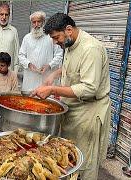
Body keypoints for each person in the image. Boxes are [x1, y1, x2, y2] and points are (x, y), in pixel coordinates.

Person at [31, 13, 111, 180]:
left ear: (68, 29)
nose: (55, 42)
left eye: (56, 37)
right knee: (68, 158)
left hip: (89, 113)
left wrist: (53, 90)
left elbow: (89, 88)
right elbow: (73, 67)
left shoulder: (90, 49)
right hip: (73, 110)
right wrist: (55, 74)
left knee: (84, 163)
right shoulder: (69, 43)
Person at [19, 11, 63, 91]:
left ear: (43, 22)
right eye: (34, 22)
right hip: (30, 77)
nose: (36, 25)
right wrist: (28, 64)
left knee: (45, 100)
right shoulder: (27, 38)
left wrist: (49, 65)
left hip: (46, 76)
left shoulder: (51, 37)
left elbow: (59, 55)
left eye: (38, 21)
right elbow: (21, 55)